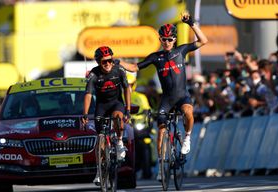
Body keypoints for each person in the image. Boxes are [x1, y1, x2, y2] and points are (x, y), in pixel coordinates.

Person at [119, 11, 208, 181]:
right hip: (166, 99)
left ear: (174, 40)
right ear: (160, 40)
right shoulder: (155, 57)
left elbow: (204, 41)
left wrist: (190, 23)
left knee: (188, 112)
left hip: (182, 96)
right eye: (163, 39)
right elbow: (134, 67)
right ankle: (161, 166)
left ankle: (187, 138)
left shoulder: (181, 51)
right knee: (160, 131)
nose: (166, 42)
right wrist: (117, 62)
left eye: (170, 39)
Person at [81, 46, 131, 185]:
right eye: (104, 62)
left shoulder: (119, 69)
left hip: (116, 103)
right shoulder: (94, 74)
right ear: (98, 62)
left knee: (117, 117)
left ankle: (120, 142)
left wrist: (127, 109)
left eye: (110, 60)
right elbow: (88, 95)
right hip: (101, 106)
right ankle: (99, 171)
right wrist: (84, 114)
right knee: (100, 139)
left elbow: (127, 88)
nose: (108, 64)